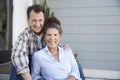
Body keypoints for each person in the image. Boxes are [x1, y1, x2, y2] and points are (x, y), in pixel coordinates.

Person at [10, 4, 71, 80]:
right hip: (30, 68)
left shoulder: (48, 32)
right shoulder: (25, 35)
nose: (38, 24)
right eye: (34, 20)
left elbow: (56, 45)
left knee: (77, 66)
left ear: (44, 20)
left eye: (40, 20)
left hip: (45, 66)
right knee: (16, 65)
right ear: (28, 20)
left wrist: (64, 48)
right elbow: (17, 55)